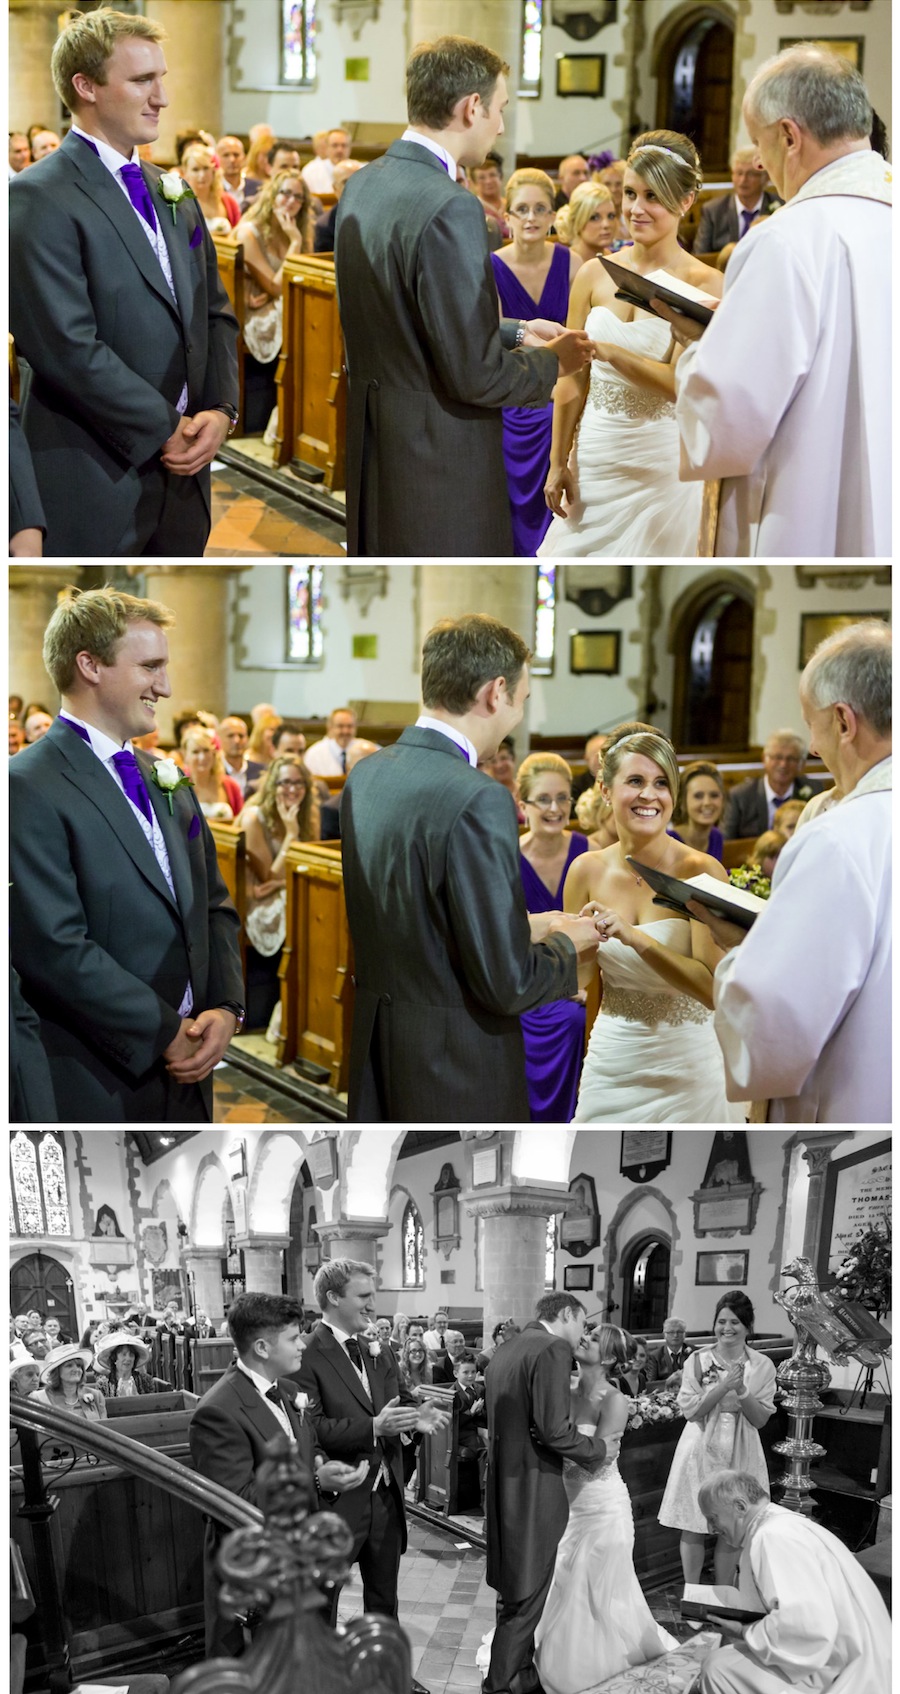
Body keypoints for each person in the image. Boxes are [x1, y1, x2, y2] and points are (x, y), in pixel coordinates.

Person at [334, 34, 593, 557]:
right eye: (498, 109)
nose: (500, 125)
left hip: (376, 444)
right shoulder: (452, 205)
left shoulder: (365, 183)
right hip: (439, 459)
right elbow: (473, 372)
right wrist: (551, 363)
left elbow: (409, 315)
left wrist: (518, 330)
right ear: (471, 107)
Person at [340, 614, 601, 1121]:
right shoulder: (478, 797)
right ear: (495, 692)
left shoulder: (368, 774)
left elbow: (418, 923)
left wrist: (528, 927)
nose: (516, 718)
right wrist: (572, 943)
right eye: (521, 701)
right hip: (455, 1064)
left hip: (380, 1046)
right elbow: (506, 984)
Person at [9, 586, 245, 1122]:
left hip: (192, 1070)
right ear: (89, 665)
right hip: (99, 1075)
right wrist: (164, 1032)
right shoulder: (26, 786)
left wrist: (226, 1008)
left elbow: (213, 905)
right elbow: (54, 947)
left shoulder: (168, 780)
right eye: (150, 667)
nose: (165, 686)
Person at [9, 9, 239, 557]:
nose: (162, 96)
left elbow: (215, 313)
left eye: (161, 77)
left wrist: (221, 412)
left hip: (186, 480)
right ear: (84, 87)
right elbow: (66, 346)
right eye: (142, 80)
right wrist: (168, 427)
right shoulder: (37, 196)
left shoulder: (172, 192)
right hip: (96, 475)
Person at [669, 46, 891, 557]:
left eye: (759, 143)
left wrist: (703, 344)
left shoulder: (787, 239)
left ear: (790, 136)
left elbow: (728, 414)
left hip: (806, 505)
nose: (763, 166)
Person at [702, 621, 891, 1123]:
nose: (812, 748)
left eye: (813, 725)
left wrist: (741, 952)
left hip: (851, 1102)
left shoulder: (839, 835)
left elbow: (774, 1021)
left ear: (844, 722)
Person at [540, 130, 723, 559]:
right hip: (595, 458)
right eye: (630, 194)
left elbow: (679, 384)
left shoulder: (706, 285)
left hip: (660, 465)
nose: (635, 209)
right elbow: (571, 381)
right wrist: (558, 461)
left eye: (652, 197)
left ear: (685, 202)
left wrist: (608, 350)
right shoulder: (592, 274)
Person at [564, 726, 744, 1123]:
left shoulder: (699, 870)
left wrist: (634, 939)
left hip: (689, 1062)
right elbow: (582, 980)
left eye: (661, 783)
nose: (649, 795)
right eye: (635, 781)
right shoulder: (584, 871)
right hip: (614, 1056)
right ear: (605, 789)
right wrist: (552, 940)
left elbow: (713, 990)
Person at [293, 1259, 449, 1689]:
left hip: (384, 1495)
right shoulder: (307, 1352)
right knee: (323, 1604)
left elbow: (396, 1398)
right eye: (363, 1296)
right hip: (339, 1502)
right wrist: (373, 1427)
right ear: (333, 1298)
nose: (371, 1304)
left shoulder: (377, 1349)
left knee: (384, 1599)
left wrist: (415, 1415)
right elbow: (312, 1427)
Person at [189, 1291, 368, 1657]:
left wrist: (321, 1464)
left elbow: (309, 1446)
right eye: (292, 1337)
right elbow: (237, 1501)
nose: (302, 1343)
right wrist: (317, 1482)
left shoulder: (287, 1390)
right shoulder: (218, 1411)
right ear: (262, 1348)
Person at [482, 1293, 619, 1694]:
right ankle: (501, 1685)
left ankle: (522, 1675)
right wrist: (599, 1450)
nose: (583, 1334)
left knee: (513, 1587)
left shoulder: (507, 1348)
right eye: (583, 1324)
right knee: (526, 1596)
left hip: (505, 1484)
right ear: (566, 1314)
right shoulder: (553, 1347)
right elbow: (552, 1429)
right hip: (534, 1487)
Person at [531, 1323, 677, 1694]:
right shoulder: (562, 1388)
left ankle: (592, 1664)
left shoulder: (614, 1400)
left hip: (601, 1505)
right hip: (564, 1501)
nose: (584, 1338)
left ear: (610, 1357)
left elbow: (594, 1462)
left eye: (594, 1339)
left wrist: (552, 1440)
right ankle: (554, 1650)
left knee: (595, 1584)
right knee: (562, 1579)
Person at [696, 1468, 891, 1694]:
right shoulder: (780, 1526)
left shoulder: (773, 1536)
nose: (710, 1529)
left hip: (843, 1671)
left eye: (713, 1518)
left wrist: (742, 1630)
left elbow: (804, 1627)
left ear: (740, 1507)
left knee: (719, 1668)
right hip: (845, 1653)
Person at [492, 169, 582, 556]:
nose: (530, 218)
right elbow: (488, 345)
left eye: (540, 209)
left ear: (552, 216)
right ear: (507, 215)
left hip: (562, 394)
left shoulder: (573, 263)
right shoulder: (490, 266)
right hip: (510, 393)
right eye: (522, 209)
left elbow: (581, 339)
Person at [658, 1291, 776, 1586]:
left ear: (748, 1326)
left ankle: (724, 1593)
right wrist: (723, 1388)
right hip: (700, 1446)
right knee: (694, 1523)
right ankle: (694, 1592)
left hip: (742, 1446)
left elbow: (760, 1419)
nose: (727, 1328)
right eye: (721, 1321)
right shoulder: (698, 1360)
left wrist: (743, 1392)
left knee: (735, 1523)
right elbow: (691, 1411)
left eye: (735, 1322)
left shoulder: (762, 1365)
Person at [516, 753, 589, 1121]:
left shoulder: (586, 853)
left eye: (563, 798)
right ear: (522, 804)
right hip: (524, 983)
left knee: (575, 1020)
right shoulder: (507, 858)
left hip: (582, 983)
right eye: (543, 799)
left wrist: (587, 983)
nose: (555, 808)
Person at [236, 167, 313, 432]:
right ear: (272, 195)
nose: (291, 201)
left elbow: (302, 279)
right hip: (255, 315)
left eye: (298, 197)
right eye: (285, 193)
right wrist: (294, 243)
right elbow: (277, 286)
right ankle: (286, 422)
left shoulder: (298, 228)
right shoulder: (250, 231)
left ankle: (299, 419)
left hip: (281, 304)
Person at [723, 730, 820, 838]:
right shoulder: (741, 796)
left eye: (791, 759)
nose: (783, 764)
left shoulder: (814, 791)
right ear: (764, 759)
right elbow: (727, 842)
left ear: (801, 764)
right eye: (778, 757)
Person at [693, 145, 781, 257]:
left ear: (765, 178)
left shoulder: (780, 208)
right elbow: (700, 256)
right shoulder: (713, 211)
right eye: (739, 173)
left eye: (751, 174)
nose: (743, 180)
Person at [32, 1342, 108, 1421]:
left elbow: (105, 1427)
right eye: (69, 1366)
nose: (76, 1370)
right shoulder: (39, 1398)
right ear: (56, 1371)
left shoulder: (96, 1395)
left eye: (79, 1366)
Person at [180, 726, 243, 820]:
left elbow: (240, 821)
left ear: (214, 753)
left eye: (206, 750)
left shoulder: (230, 785)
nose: (202, 757)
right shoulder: (179, 787)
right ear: (186, 755)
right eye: (195, 752)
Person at [181, 142, 241, 235]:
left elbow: (238, 233)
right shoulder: (180, 203)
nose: (202, 175)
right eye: (195, 169)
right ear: (186, 172)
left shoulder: (228, 201)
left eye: (206, 168)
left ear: (213, 170)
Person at [554, 181, 622, 264]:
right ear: (577, 221)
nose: (606, 224)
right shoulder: (564, 264)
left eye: (611, 216)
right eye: (595, 218)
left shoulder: (616, 260)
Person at [670, 760, 726, 859]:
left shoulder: (716, 837)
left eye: (714, 795)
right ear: (683, 802)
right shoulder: (669, 841)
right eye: (698, 796)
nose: (707, 802)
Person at [313, 157, 364, 252]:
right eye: (345, 182)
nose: (353, 186)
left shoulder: (380, 215)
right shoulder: (324, 226)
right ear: (335, 188)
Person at [303, 707, 371, 776]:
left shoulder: (368, 749)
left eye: (350, 726)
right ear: (330, 728)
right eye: (340, 726)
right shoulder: (314, 753)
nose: (346, 731)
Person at [95, 1330, 160, 1396]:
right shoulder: (103, 1384)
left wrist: (136, 1396)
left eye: (131, 1354)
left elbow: (151, 1404)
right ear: (114, 1358)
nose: (128, 1358)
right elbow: (102, 1405)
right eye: (124, 1354)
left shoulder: (145, 1380)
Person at [219, 715, 266, 797]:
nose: (237, 741)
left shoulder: (261, 771)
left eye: (241, 736)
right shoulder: (213, 772)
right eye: (230, 736)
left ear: (247, 739)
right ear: (220, 739)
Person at [645, 1316, 694, 1391]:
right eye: (671, 1332)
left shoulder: (694, 1353)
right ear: (664, 1334)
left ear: (685, 1334)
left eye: (679, 1332)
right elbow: (652, 1384)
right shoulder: (655, 1356)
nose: (675, 1335)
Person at [301, 126, 351, 194]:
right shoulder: (310, 171)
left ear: (350, 148)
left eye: (344, 145)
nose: (340, 150)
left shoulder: (361, 170)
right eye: (335, 145)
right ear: (327, 148)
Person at [216, 133, 246, 198]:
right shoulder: (211, 190)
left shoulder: (256, 188)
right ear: (217, 159)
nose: (232, 160)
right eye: (226, 155)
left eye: (236, 155)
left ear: (244, 157)